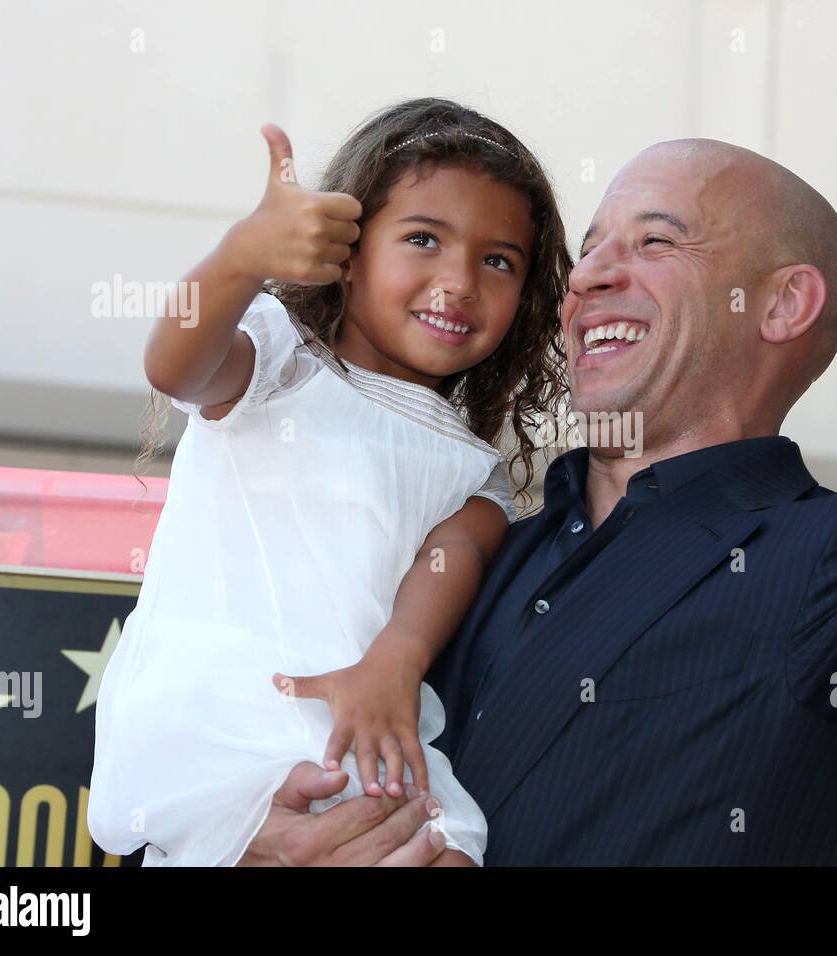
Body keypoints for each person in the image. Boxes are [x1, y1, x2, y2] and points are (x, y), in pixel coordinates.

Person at [240, 41, 837, 866]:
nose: (586, 276)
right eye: (587, 252)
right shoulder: (463, 558)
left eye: (656, 241)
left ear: (782, 307)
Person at [88, 98, 572, 866]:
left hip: (368, 735)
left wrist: (394, 665)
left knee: (447, 853)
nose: (459, 280)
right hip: (226, 735)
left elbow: (451, 570)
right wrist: (242, 257)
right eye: (422, 239)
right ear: (346, 251)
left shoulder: (473, 470)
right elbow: (173, 366)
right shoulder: (279, 364)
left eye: (498, 260)